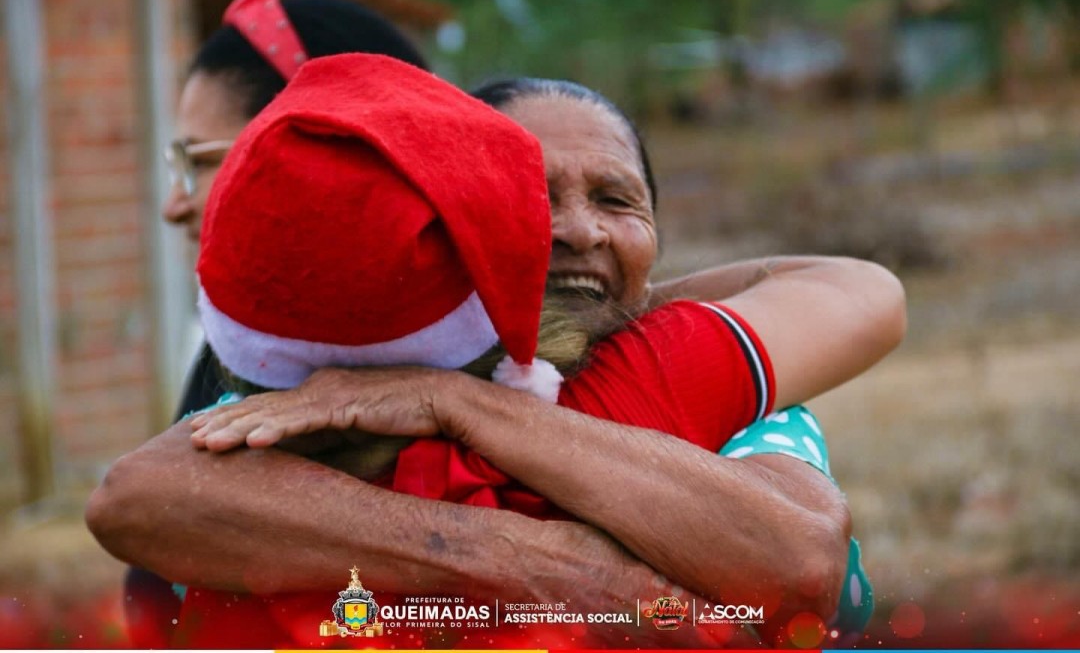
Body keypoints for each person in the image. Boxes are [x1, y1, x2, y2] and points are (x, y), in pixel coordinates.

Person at [88, 71, 905, 646]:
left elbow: (804, 563)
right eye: (530, 198)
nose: (579, 230)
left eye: (617, 201)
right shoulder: (318, 400)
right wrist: (528, 561)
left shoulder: (702, 380)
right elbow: (135, 494)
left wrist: (466, 399)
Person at [123, 0, 431, 647]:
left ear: (314, 155)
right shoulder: (235, 360)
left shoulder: (515, 382)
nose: (173, 207)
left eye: (192, 162)